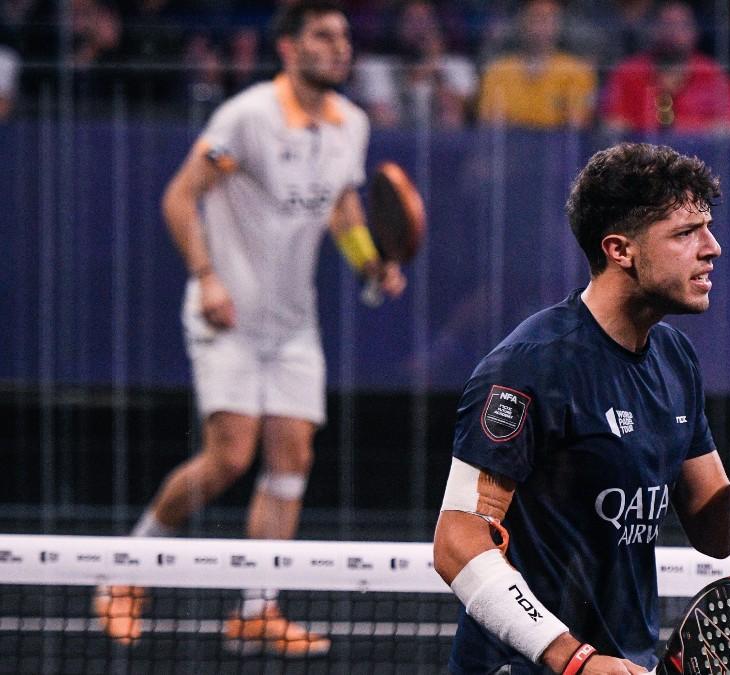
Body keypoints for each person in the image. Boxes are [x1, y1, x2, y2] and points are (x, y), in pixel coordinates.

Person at [92, 0, 405, 657]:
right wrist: (206, 276)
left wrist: (369, 264)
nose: (339, 46)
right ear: (289, 48)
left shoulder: (350, 123)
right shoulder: (247, 116)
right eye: (323, 35)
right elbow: (180, 195)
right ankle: (124, 571)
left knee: (293, 453)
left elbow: (343, 208)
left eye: (344, 35)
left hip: (293, 324)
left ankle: (256, 609)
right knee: (230, 455)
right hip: (227, 312)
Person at [432, 142, 730, 673]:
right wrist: (575, 660)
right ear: (620, 249)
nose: (713, 247)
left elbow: (716, 530)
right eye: (686, 233)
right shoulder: (529, 366)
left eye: (706, 227)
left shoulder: (675, 359)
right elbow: (457, 543)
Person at [602, 2, 730, 133]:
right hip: (639, 157)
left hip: (698, 156)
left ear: (694, 32)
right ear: (652, 30)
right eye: (666, 24)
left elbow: (729, 128)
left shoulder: (714, 76)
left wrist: (681, 128)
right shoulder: (627, 73)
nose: (673, 32)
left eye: (681, 25)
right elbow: (611, 125)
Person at [354, 0, 477, 129]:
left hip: (445, 145)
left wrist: (434, 64)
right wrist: (417, 75)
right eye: (411, 20)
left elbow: (453, 120)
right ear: (396, 24)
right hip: (393, 145)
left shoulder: (459, 66)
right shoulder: (374, 67)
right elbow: (384, 120)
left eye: (426, 20)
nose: (419, 28)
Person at [477, 0, 597, 130]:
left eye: (547, 18)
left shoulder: (577, 71)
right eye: (535, 17)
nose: (541, 26)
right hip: (512, 146)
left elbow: (576, 128)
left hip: (557, 147)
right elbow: (490, 126)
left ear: (559, 24)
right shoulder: (498, 71)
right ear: (522, 22)